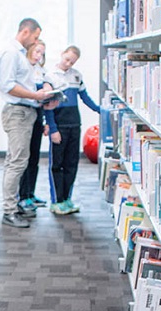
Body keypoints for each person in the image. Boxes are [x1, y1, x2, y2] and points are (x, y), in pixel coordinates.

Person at [0, 17, 55, 228]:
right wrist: (34, 95)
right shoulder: (11, 53)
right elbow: (7, 85)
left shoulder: (21, 55)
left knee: (19, 160)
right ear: (26, 32)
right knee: (16, 162)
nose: (36, 41)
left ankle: (16, 205)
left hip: (26, 112)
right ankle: (9, 211)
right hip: (18, 112)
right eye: (36, 37)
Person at [44, 45, 101, 215]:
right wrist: (53, 129)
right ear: (62, 54)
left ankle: (66, 199)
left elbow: (85, 98)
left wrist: (100, 110)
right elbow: (48, 107)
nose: (68, 63)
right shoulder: (50, 76)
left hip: (74, 125)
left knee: (71, 164)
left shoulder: (77, 76)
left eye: (72, 61)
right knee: (57, 164)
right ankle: (56, 201)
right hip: (59, 127)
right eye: (67, 59)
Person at [18, 39, 50, 213]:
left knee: (34, 158)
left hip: (38, 114)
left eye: (42, 53)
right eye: (37, 51)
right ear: (29, 49)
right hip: (25, 113)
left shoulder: (41, 70)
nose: (39, 56)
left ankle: (30, 194)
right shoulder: (23, 68)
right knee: (24, 157)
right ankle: (22, 196)